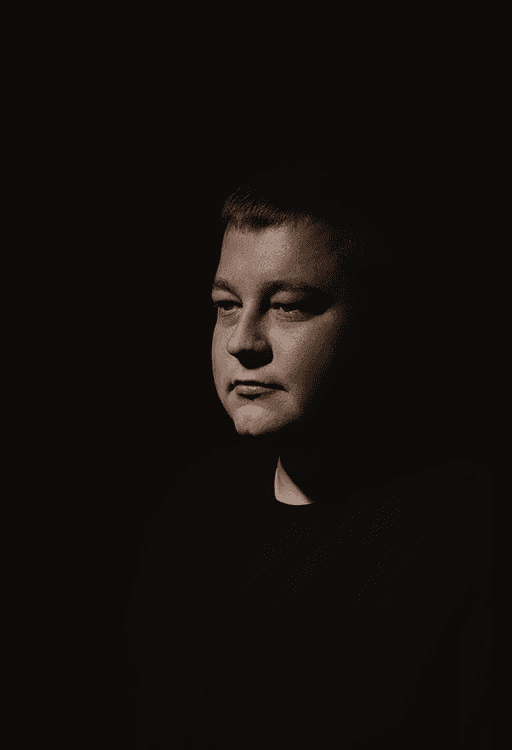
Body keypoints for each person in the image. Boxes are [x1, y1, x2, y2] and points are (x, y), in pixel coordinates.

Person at [126, 162, 491, 749]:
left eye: (289, 305)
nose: (242, 341)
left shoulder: (467, 539)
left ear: (379, 324)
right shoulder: (188, 518)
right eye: (226, 304)